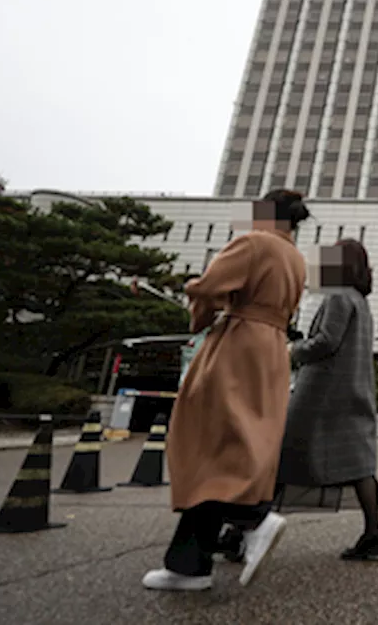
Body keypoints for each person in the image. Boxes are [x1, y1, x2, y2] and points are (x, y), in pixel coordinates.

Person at [142, 189, 310, 592]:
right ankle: (189, 565)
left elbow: (209, 289)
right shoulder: (296, 258)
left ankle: (253, 518)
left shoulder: (253, 242)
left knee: (211, 442)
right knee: (236, 445)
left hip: (238, 345)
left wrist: (193, 291)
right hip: (270, 349)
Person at [277, 238, 378, 560]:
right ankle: (373, 532)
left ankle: (244, 528)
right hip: (353, 391)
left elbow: (326, 342)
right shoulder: (360, 300)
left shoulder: (339, 296)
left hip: (323, 395)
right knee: (359, 465)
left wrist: (292, 351)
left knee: (283, 452)